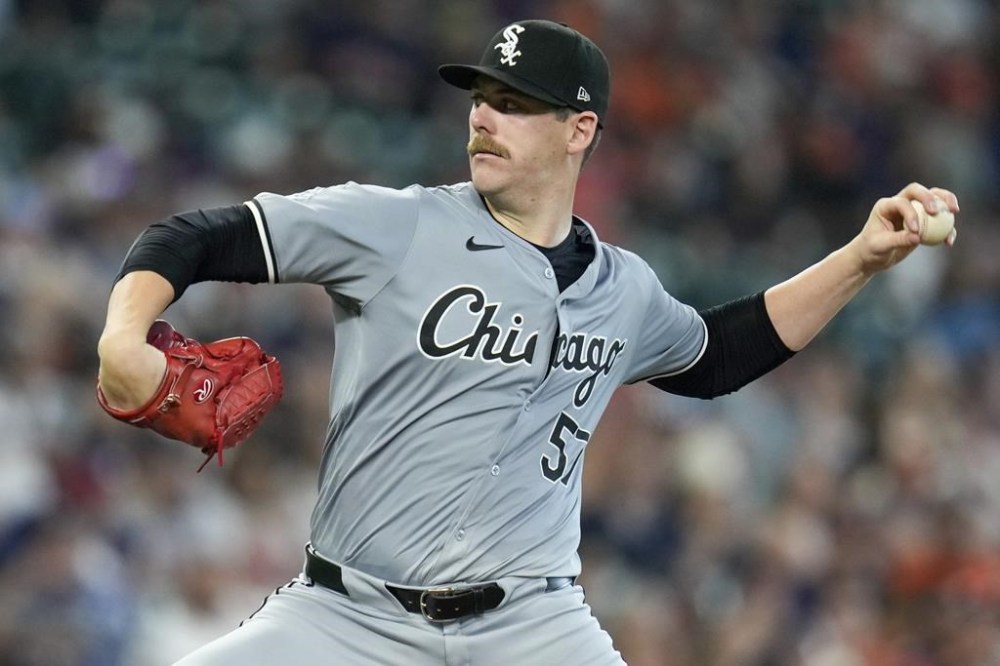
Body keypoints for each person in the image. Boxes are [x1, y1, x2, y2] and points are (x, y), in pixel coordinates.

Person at [96, 18, 959, 666]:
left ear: (578, 130)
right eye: (481, 98)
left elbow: (717, 356)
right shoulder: (397, 226)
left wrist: (860, 259)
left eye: (514, 105)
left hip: (532, 625)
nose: (484, 117)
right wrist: (123, 337)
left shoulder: (623, 289)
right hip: (347, 617)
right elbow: (194, 236)